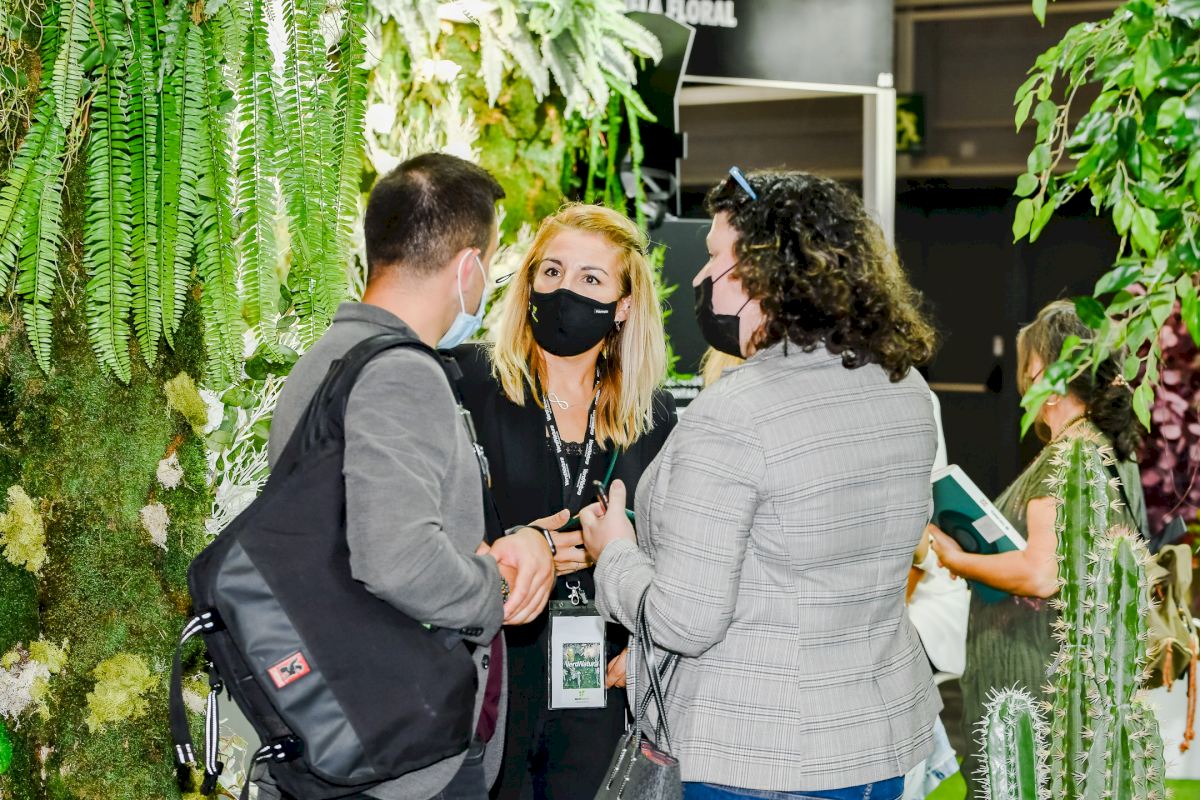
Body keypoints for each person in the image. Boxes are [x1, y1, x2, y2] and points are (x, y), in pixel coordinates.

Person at [580, 169, 942, 800]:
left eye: (715, 259)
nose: (701, 277)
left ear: (767, 273)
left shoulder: (737, 410)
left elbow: (685, 620)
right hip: (877, 743)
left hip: (756, 757)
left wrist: (613, 552)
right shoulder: (904, 387)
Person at [264, 153, 558, 800]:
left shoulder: (327, 359)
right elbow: (397, 557)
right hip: (402, 757)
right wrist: (494, 583)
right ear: (469, 268)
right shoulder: (400, 372)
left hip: (341, 726)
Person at [450, 203, 677, 799]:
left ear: (623, 306)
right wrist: (522, 548)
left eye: (590, 278)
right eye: (551, 271)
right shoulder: (470, 382)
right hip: (493, 668)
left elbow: (676, 548)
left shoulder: (652, 415)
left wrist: (648, 646)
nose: (564, 290)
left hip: (602, 677)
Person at [928, 299, 1147, 800]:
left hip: (1034, 687)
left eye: (1026, 367)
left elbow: (1041, 573)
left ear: (1043, 371)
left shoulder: (1069, 457)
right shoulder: (1110, 454)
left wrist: (957, 557)